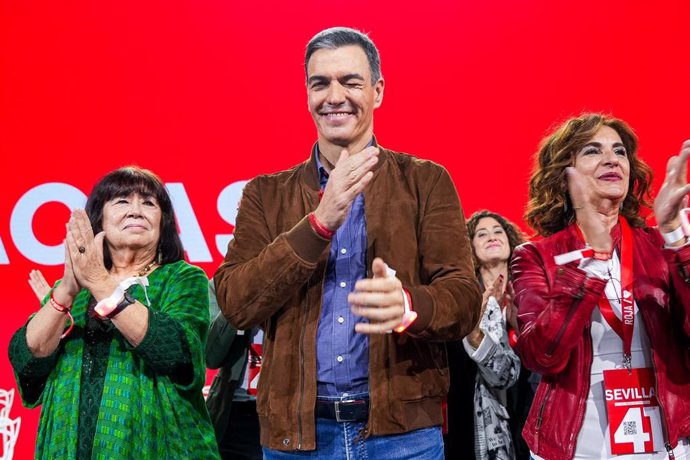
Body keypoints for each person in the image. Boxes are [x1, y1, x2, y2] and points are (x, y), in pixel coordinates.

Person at [213, 27, 481, 459]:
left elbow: (465, 299)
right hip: (296, 440)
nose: (334, 96)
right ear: (306, 96)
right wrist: (318, 225)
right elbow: (235, 302)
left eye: (350, 82)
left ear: (377, 91)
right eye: (320, 83)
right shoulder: (265, 193)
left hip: (402, 437)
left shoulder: (426, 180)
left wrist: (410, 306)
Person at [9, 166, 220, 459]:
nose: (136, 211)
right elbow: (27, 361)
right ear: (100, 220)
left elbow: (177, 353)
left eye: (148, 203)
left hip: (159, 445)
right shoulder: (72, 291)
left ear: (164, 222)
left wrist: (99, 282)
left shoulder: (182, 279)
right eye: (122, 201)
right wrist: (67, 291)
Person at [512, 113, 690, 459]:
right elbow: (540, 355)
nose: (611, 159)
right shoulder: (536, 256)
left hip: (666, 443)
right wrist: (589, 266)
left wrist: (674, 236)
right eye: (593, 151)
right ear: (565, 176)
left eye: (619, 151)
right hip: (578, 446)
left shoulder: (659, 244)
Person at [445, 210, 527, 460]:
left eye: (497, 231)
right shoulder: (462, 297)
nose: (491, 236)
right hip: (471, 425)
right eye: (481, 234)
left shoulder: (530, 290)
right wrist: (473, 329)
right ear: (470, 247)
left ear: (511, 240)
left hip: (525, 416)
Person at [206, 279, 263, 460]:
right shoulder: (221, 283)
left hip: (290, 409)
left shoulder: (300, 276)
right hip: (236, 407)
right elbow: (211, 357)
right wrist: (237, 301)